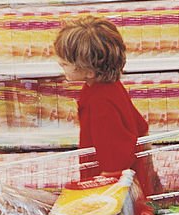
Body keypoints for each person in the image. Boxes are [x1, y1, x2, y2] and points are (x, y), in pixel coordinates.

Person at [54, 15, 158, 195]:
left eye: (65, 64)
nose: (59, 64)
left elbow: (114, 165)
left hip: (115, 192)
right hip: (129, 184)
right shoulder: (108, 87)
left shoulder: (101, 104)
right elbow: (141, 129)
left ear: (88, 71)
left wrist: (95, 197)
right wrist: (150, 176)